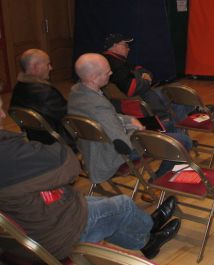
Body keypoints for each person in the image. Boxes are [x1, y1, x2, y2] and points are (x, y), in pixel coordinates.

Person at [0, 92, 181, 260]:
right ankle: (150, 234)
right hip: (55, 233)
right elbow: (71, 168)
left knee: (102, 209)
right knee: (123, 205)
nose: (3, 115)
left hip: (34, 218)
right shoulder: (10, 154)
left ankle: (149, 231)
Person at [67, 53, 191, 199]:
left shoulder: (77, 94)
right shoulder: (99, 106)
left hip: (95, 148)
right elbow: (124, 146)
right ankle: (157, 182)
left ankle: (170, 168)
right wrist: (137, 131)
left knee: (167, 125)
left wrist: (130, 120)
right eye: (107, 72)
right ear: (94, 77)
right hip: (111, 155)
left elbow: (107, 118)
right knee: (182, 142)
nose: (111, 73)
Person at [10, 49, 73, 146]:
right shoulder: (46, 93)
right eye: (48, 64)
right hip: (58, 141)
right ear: (35, 67)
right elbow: (69, 116)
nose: (51, 68)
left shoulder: (18, 88)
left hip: (35, 138)